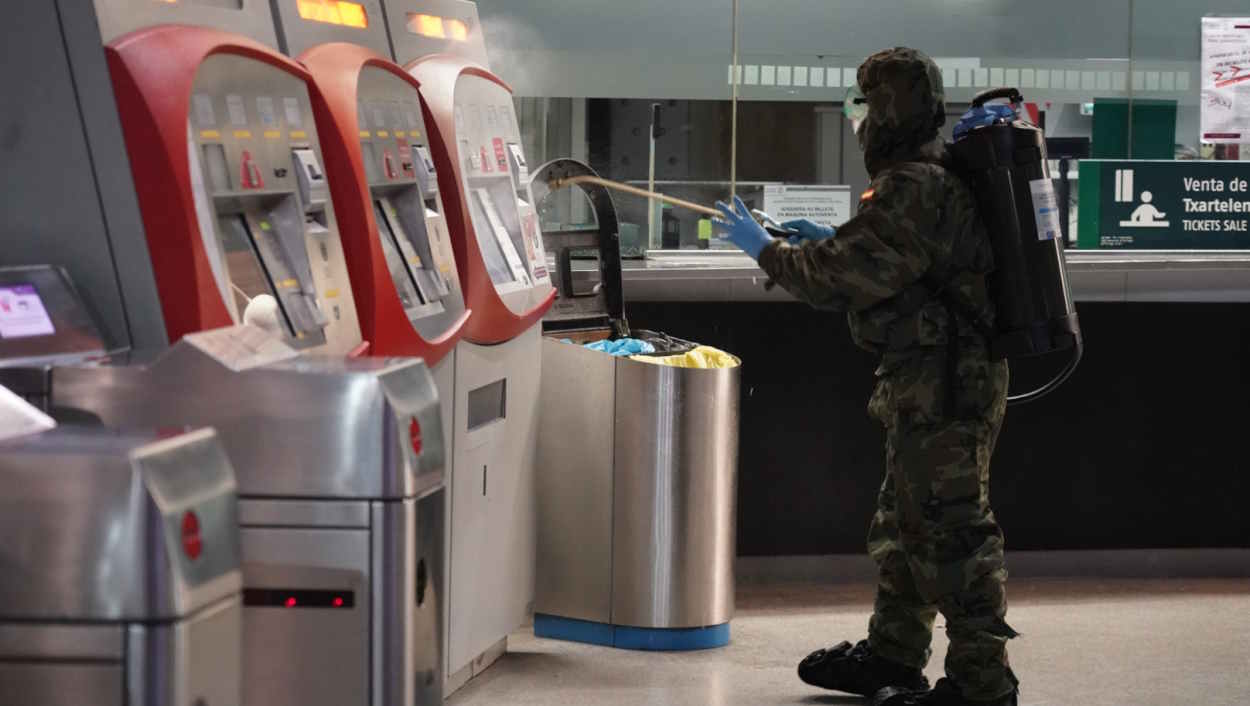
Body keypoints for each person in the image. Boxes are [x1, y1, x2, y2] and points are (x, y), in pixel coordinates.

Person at [713, 47, 1018, 706]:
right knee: (907, 523)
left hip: (945, 384)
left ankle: (981, 686)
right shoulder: (926, 177)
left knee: (952, 532)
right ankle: (894, 653)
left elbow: (831, 278)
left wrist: (765, 249)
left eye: (863, 105)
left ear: (886, 110)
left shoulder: (917, 184)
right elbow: (895, 259)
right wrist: (828, 234)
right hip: (926, 381)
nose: (857, 121)